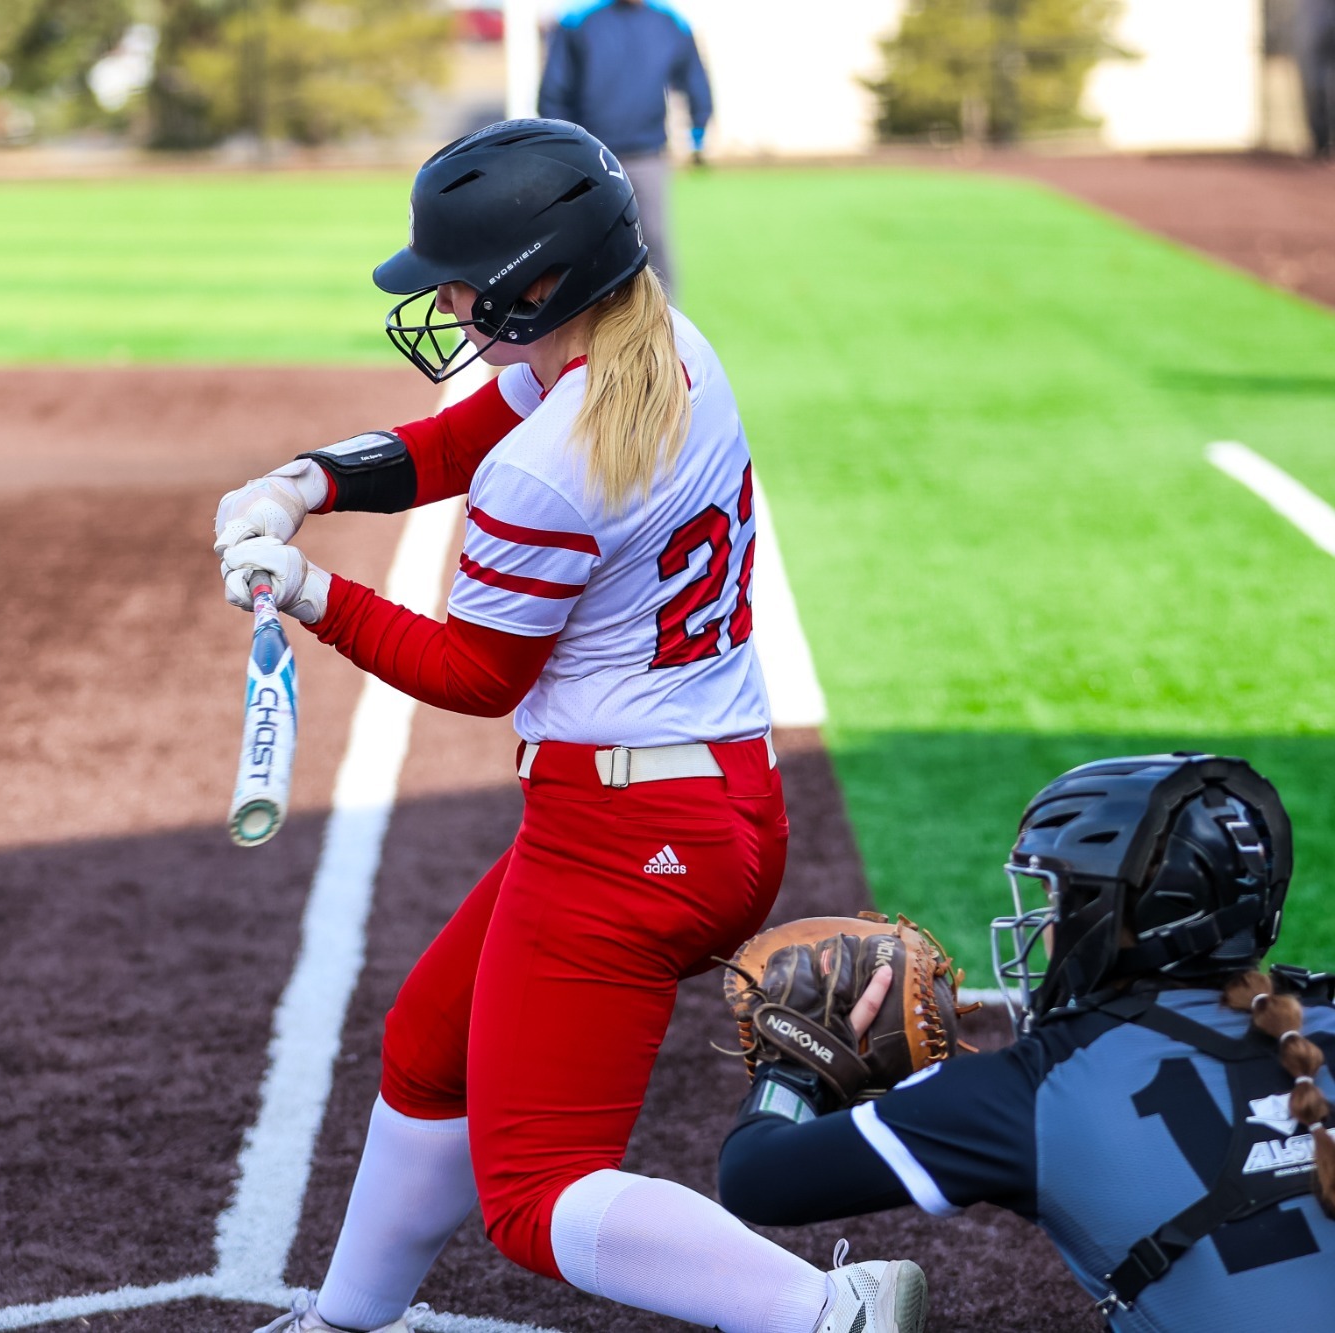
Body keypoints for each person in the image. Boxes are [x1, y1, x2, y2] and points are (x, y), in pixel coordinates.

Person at [213, 119, 925, 1333]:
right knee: (429, 1045)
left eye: (462, 273)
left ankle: (826, 1313)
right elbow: (462, 429)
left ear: (540, 278)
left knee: (534, 1194)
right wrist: (306, 480)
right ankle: (344, 1320)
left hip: (627, 828)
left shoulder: (549, 467)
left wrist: (310, 591)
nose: (443, 295)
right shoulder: (658, 345)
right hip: (702, 801)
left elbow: (476, 671)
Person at [716, 753, 1335, 1332]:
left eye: (1053, 896)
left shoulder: (1032, 1088)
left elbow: (755, 1178)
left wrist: (796, 1066)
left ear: (1108, 915)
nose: (1042, 926)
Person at [538, 0, 713, 303]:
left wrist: (698, 133)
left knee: (653, 244)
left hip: (648, 155)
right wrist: (566, 152)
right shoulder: (577, 22)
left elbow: (695, 80)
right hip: (588, 161)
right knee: (584, 247)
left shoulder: (670, 23)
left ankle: (665, 326)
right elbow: (553, 94)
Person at [1299, 0, 1335, 159]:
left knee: (1316, 79)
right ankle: (1321, 142)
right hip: (1317, 18)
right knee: (1316, 80)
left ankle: (1321, 143)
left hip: (1317, 18)